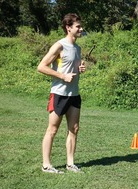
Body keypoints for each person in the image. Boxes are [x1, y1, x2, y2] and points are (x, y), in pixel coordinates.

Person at [37, 13, 86, 173]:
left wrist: (80, 69)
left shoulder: (78, 48)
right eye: (78, 26)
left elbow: (72, 68)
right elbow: (42, 66)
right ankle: (46, 165)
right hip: (59, 94)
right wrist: (62, 76)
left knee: (74, 128)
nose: (81, 29)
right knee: (52, 129)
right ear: (68, 27)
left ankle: (70, 163)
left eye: (80, 26)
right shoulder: (59, 46)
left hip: (74, 95)